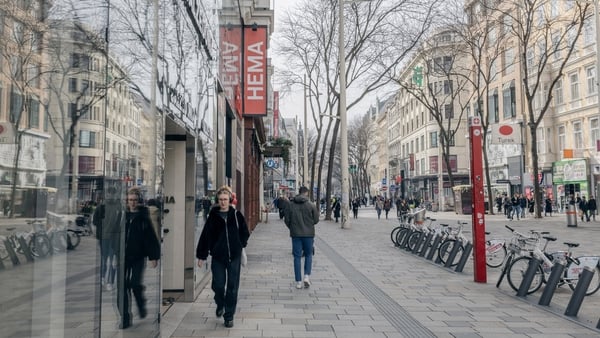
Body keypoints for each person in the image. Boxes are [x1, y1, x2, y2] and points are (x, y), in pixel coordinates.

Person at [196, 186, 250, 328]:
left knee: (232, 287)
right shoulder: (213, 217)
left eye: (225, 199)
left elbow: (245, 232)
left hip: (234, 256)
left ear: (230, 200)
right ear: (217, 201)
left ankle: (229, 316)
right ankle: (220, 303)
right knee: (218, 285)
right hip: (218, 257)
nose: (223, 202)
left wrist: (240, 244)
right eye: (220, 200)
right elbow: (205, 237)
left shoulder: (237, 215)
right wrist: (201, 255)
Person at [119, 187, 161, 329]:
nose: (132, 203)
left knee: (135, 283)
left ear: (139, 201)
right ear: (127, 201)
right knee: (122, 287)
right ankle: (125, 317)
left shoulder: (143, 216)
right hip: (123, 256)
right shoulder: (123, 216)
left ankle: (141, 303)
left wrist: (153, 256)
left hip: (138, 256)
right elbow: (114, 234)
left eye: (135, 200)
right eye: (130, 200)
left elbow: (150, 237)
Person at [284, 186, 320, 289]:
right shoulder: (311, 205)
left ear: (298, 193)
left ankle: (298, 282)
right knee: (308, 255)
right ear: (306, 193)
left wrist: (292, 227)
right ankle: (306, 277)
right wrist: (309, 225)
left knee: (297, 257)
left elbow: (287, 220)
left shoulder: (290, 205)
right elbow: (316, 220)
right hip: (308, 235)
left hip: (295, 235)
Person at [94, 187, 123, 292]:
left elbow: (121, 220)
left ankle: (110, 282)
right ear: (107, 194)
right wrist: (101, 231)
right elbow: (95, 221)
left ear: (115, 194)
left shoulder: (119, 206)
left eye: (113, 194)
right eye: (109, 193)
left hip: (114, 238)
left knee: (113, 261)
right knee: (104, 259)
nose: (111, 195)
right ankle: (102, 278)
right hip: (103, 238)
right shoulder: (101, 206)